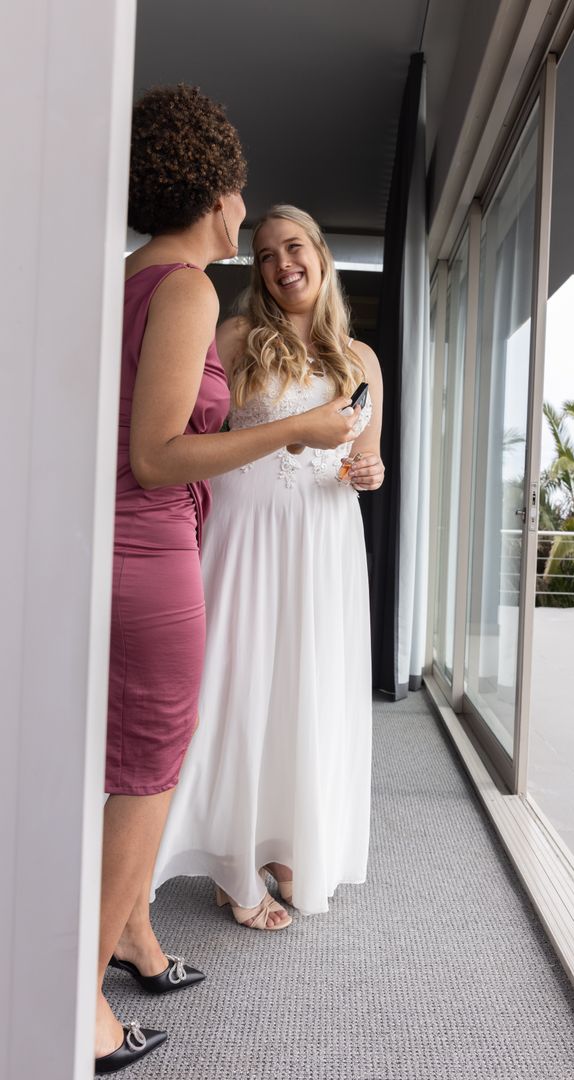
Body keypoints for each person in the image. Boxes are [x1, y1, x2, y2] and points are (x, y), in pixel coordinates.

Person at [97, 97, 357, 1075]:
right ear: (213, 193)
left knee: (141, 761)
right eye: (240, 191)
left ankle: (134, 940)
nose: (246, 210)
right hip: (152, 547)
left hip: (137, 545)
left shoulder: (132, 278)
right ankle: (79, 1004)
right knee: (148, 772)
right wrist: (296, 429)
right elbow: (161, 455)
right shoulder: (190, 290)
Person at [153, 204, 384, 930]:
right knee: (239, 680)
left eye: (293, 247)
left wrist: (368, 471)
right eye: (263, 254)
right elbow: (191, 433)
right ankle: (230, 859)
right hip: (247, 528)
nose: (281, 262)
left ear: (320, 252)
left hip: (323, 537)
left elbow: (360, 457)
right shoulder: (234, 335)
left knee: (303, 686)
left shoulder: (360, 357)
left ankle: (283, 840)